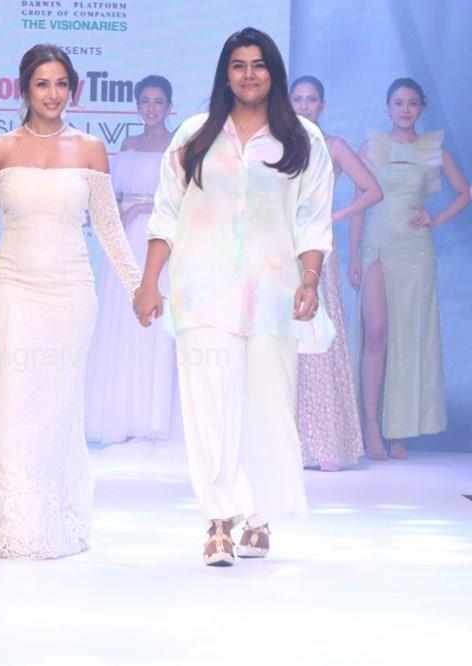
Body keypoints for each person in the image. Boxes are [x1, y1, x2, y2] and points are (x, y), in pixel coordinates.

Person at [133, 28, 334, 566]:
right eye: (239, 65)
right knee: (210, 406)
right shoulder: (195, 136)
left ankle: (260, 516)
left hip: (274, 294)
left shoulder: (303, 140)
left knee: (266, 405)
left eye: (259, 64)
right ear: (226, 73)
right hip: (201, 291)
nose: (249, 74)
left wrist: (310, 280)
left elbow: (313, 219)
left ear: (274, 73)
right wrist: (149, 282)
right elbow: (165, 212)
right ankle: (218, 521)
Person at [0, 44, 141, 559]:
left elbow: (108, 228)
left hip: (71, 292)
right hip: (13, 287)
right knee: (12, 402)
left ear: (73, 90)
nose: (53, 93)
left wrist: (138, 287)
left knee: (57, 407)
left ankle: (51, 518)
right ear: (25, 88)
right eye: (43, 83)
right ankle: (15, 523)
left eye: (62, 84)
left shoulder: (90, 149)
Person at [348, 77, 470, 460]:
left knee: (406, 338)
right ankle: (371, 425)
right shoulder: (372, 148)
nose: (405, 109)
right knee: (377, 333)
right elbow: (359, 206)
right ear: (387, 108)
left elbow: (465, 192)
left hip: (416, 253)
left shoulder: (432, 150)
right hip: (376, 248)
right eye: (398, 102)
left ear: (420, 108)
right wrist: (353, 255)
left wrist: (435, 219)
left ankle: (397, 429)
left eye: (412, 102)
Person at [289, 74, 382, 470]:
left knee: (318, 337)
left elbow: (373, 190)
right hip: (280, 250)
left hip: (317, 250)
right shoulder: (276, 143)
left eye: (311, 99)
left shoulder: (334, 146)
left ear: (322, 105)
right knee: (284, 343)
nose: (304, 106)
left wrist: (335, 217)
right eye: (297, 99)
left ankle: (327, 442)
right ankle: (290, 445)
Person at [85, 75, 179, 444]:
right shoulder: (127, 144)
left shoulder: (178, 145)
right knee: (122, 322)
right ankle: (122, 415)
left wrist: (141, 207)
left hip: (159, 239)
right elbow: (114, 196)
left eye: (158, 102)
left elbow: (183, 199)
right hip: (125, 243)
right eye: (145, 102)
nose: (151, 109)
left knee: (154, 325)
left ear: (169, 107)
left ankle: (152, 419)